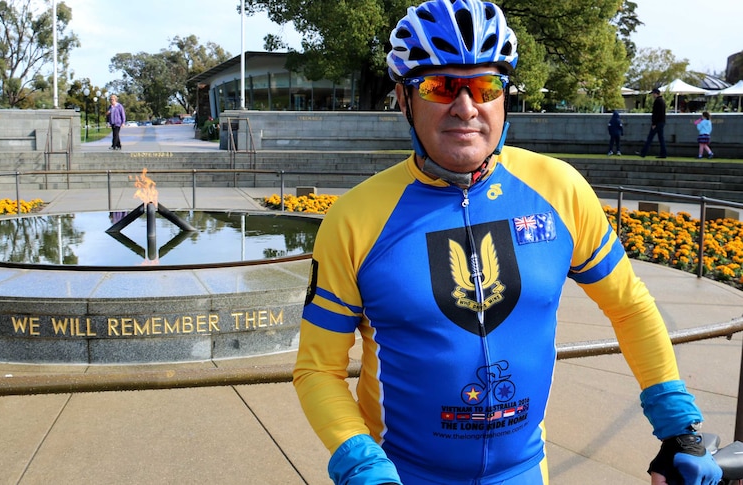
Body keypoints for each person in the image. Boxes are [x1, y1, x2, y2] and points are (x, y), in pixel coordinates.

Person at [292, 1, 722, 484]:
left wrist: (678, 430)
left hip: (522, 473)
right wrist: (362, 465)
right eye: (440, 86)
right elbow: (318, 369)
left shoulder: (558, 188)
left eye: (485, 86)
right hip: (402, 473)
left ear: (504, 97)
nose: (465, 106)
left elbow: (630, 307)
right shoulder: (355, 218)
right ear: (403, 98)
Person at [639, 88, 667, 158]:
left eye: (653, 94)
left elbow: (656, 113)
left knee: (650, 138)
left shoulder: (657, 101)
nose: (652, 95)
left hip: (657, 123)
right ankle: (663, 154)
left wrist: (654, 123)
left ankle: (643, 153)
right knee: (661, 139)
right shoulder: (662, 101)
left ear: (655, 93)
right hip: (661, 122)